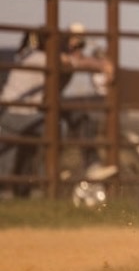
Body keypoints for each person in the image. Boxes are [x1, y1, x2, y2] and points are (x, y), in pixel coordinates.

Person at [0, 23, 115, 195]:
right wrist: (102, 64)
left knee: (24, 155)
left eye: (80, 46)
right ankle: (51, 173)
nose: (76, 49)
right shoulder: (40, 57)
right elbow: (71, 61)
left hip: (24, 114)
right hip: (16, 114)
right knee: (55, 128)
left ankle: (44, 181)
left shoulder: (33, 56)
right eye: (70, 44)